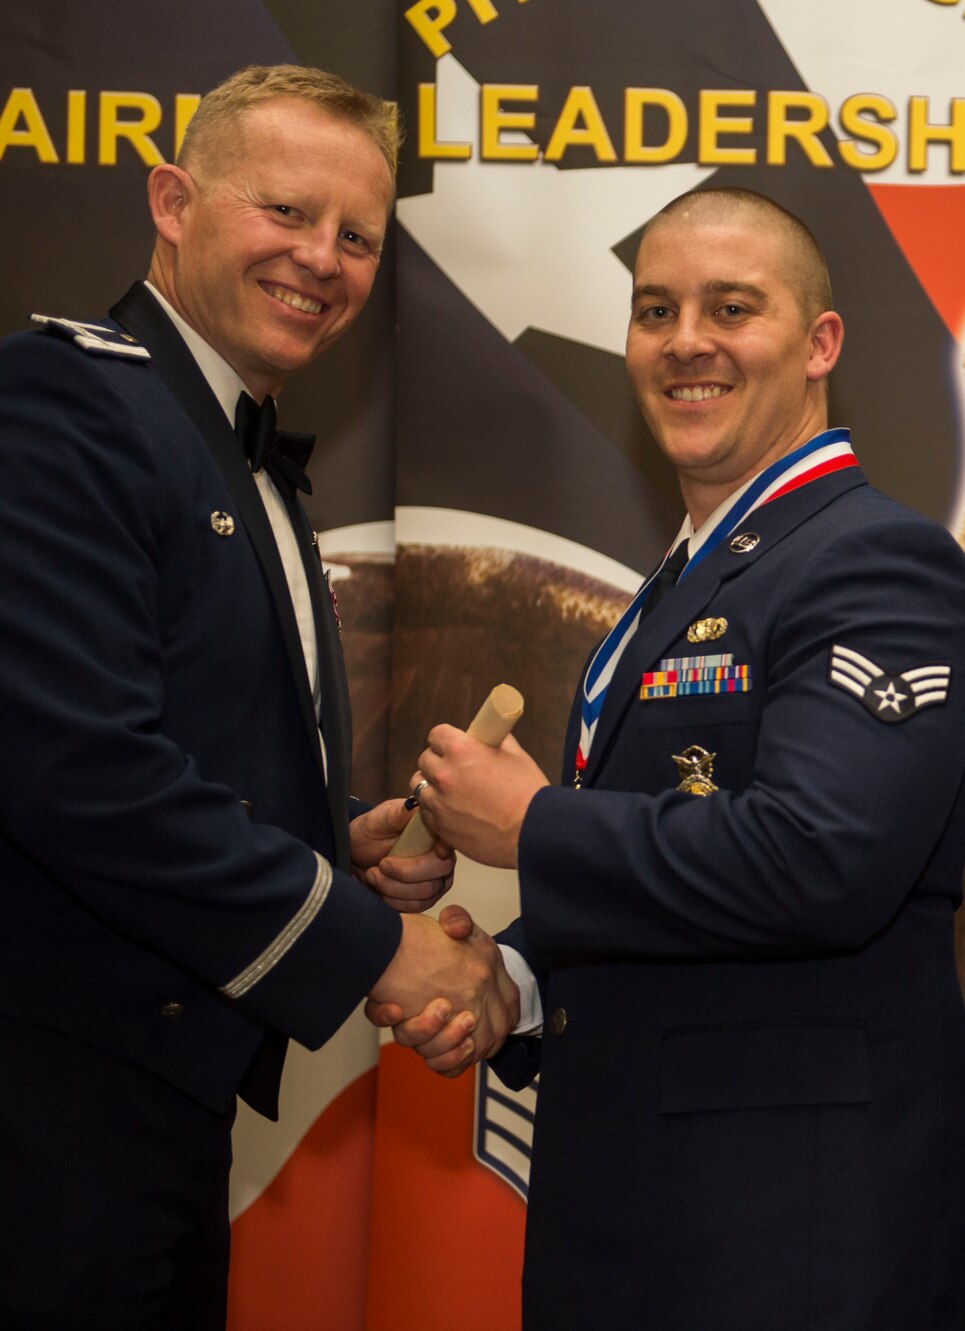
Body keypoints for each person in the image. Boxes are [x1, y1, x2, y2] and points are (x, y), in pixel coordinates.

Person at [379, 187, 965, 1328]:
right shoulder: (692, 576)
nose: (685, 342)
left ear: (819, 343)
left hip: (796, 1244)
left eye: (731, 307)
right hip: (649, 1224)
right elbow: (677, 891)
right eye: (654, 309)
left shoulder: (875, 563)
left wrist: (535, 827)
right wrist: (512, 982)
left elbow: (819, 860)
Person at [0, 64, 515, 1329]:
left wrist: (335, 837)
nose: (321, 259)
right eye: (284, 212)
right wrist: (372, 946)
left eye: (356, 236)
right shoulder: (62, 401)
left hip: (151, 1108)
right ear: (172, 201)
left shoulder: (235, 448)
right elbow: (83, 772)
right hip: (43, 1110)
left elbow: (175, 735)